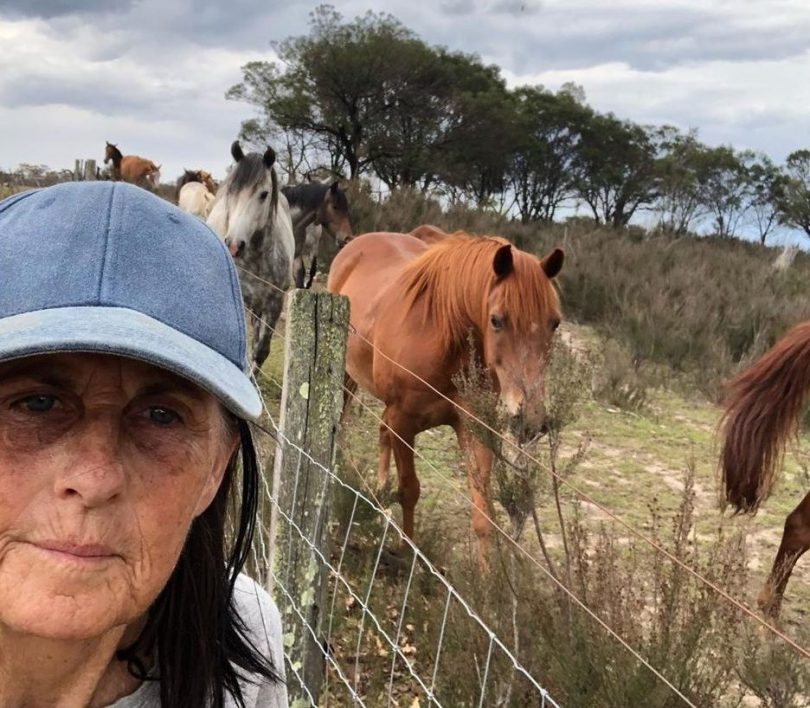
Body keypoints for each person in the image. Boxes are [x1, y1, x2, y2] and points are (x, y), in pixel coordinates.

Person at [0, 181, 288, 707]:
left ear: (216, 469)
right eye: (35, 404)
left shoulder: (240, 642)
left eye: (160, 416)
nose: (93, 479)